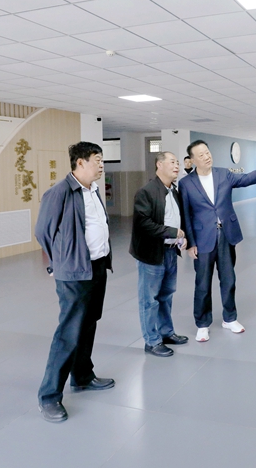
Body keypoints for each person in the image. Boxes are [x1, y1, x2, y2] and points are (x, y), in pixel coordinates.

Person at [34, 142, 115, 423]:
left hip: (97, 267)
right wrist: (59, 263)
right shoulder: (59, 192)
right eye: (97, 160)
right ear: (80, 162)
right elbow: (43, 232)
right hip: (74, 272)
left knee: (89, 323)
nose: (101, 165)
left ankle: (82, 376)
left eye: (102, 160)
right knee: (68, 331)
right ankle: (49, 396)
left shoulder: (93, 190)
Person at [180, 140, 256, 342]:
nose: (207, 156)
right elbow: (186, 214)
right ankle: (202, 324)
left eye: (207, 152)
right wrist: (190, 243)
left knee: (228, 280)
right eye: (201, 155)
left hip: (226, 235)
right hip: (202, 239)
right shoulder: (186, 183)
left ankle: (230, 318)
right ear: (192, 160)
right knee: (202, 284)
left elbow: (246, 179)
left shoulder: (223, 174)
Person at [130, 151, 189, 358]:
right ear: (159, 165)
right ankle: (152, 341)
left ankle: (166, 332)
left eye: (178, 163)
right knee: (150, 300)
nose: (177, 166)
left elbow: (177, 218)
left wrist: (182, 237)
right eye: (172, 162)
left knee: (166, 295)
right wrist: (172, 232)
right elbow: (143, 223)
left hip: (171, 252)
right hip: (151, 253)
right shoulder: (146, 192)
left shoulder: (174, 191)